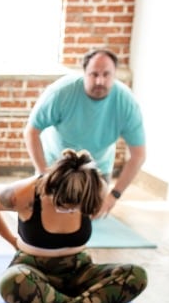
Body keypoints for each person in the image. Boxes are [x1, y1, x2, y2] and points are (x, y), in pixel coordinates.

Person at [0, 148, 148, 303]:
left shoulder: (96, 189)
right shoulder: (23, 193)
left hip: (79, 271)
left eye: (74, 208)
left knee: (136, 275)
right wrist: (11, 240)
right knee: (11, 282)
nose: (68, 211)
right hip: (33, 270)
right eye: (61, 206)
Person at [24, 48, 146, 218]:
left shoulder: (127, 103)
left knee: (88, 219)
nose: (100, 81)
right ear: (84, 73)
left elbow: (138, 155)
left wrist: (113, 196)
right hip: (58, 167)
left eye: (106, 74)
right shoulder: (61, 92)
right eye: (93, 74)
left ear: (115, 75)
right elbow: (32, 130)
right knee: (50, 216)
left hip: (97, 170)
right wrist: (42, 173)